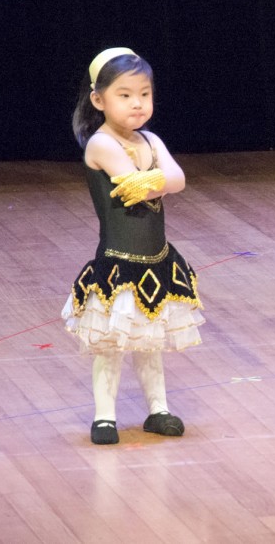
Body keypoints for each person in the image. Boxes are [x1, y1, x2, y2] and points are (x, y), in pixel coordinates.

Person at [64, 48, 204, 445]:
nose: (137, 103)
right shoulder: (101, 144)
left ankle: (158, 409)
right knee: (112, 344)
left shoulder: (151, 140)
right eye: (125, 95)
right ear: (98, 100)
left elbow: (177, 180)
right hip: (118, 264)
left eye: (144, 94)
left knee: (149, 342)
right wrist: (157, 180)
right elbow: (136, 186)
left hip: (157, 261)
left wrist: (153, 180)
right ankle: (104, 416)